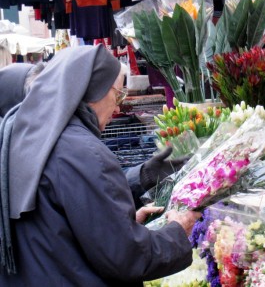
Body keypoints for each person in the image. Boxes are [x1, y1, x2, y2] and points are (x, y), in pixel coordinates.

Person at [0, 45, 201, 285]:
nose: (118, 108)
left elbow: (58, 220)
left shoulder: (24, 135)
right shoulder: (82, 150)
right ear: (94, 91)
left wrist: (142, 179)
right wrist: (177, 231)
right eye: (118, 95)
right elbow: (127, 257)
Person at [0, 61, 184, 209]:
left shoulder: (38, 150)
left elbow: (92, 198)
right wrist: (175, 232)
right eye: (39, 95)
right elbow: (109, 240)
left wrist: (144, 175)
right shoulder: (53, 153)